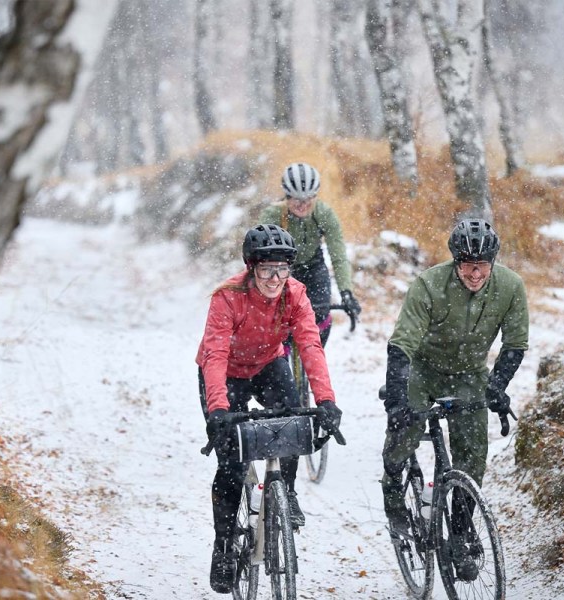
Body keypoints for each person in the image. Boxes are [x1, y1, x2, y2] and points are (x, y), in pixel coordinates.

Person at [196, 224, 343, 594]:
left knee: (293, 421)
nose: (275, 278)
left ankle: (286, 492)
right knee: (231, 462)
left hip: (266, 365)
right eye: (266, 270)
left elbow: (310, 345)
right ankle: (225, 545)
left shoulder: (295, 294)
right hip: (226, 372)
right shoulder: (227, 297)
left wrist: (326, 401)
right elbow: (214, 354)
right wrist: (218, 409)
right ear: (251, 269)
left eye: (282, 269)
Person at [380, 218, 528, 581]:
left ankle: (459, 533)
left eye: (481, 265)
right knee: (405, 434)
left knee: (473, 455)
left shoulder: (510, 286)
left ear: (492, 262)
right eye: (466, 264)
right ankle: (393, 489)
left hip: (469, 374)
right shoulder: (429, 285)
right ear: (455, 262)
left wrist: (496, 386)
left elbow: (515, 344)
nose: (474, 273)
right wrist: (398, 402)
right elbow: (401, 345)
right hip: (422, 369)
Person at [260, 162, 361, 347]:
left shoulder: (324, 214)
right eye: (296, 199)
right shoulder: (272, 215)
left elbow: (338, 256)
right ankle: (282, 357)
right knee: (278, 318)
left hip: (313, 266)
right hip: (281, 269)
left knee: (321, 316)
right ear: (287, 196)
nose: (302, 205)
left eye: (308, 199)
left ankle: (313, 359)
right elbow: (258, 259)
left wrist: (346, 292)